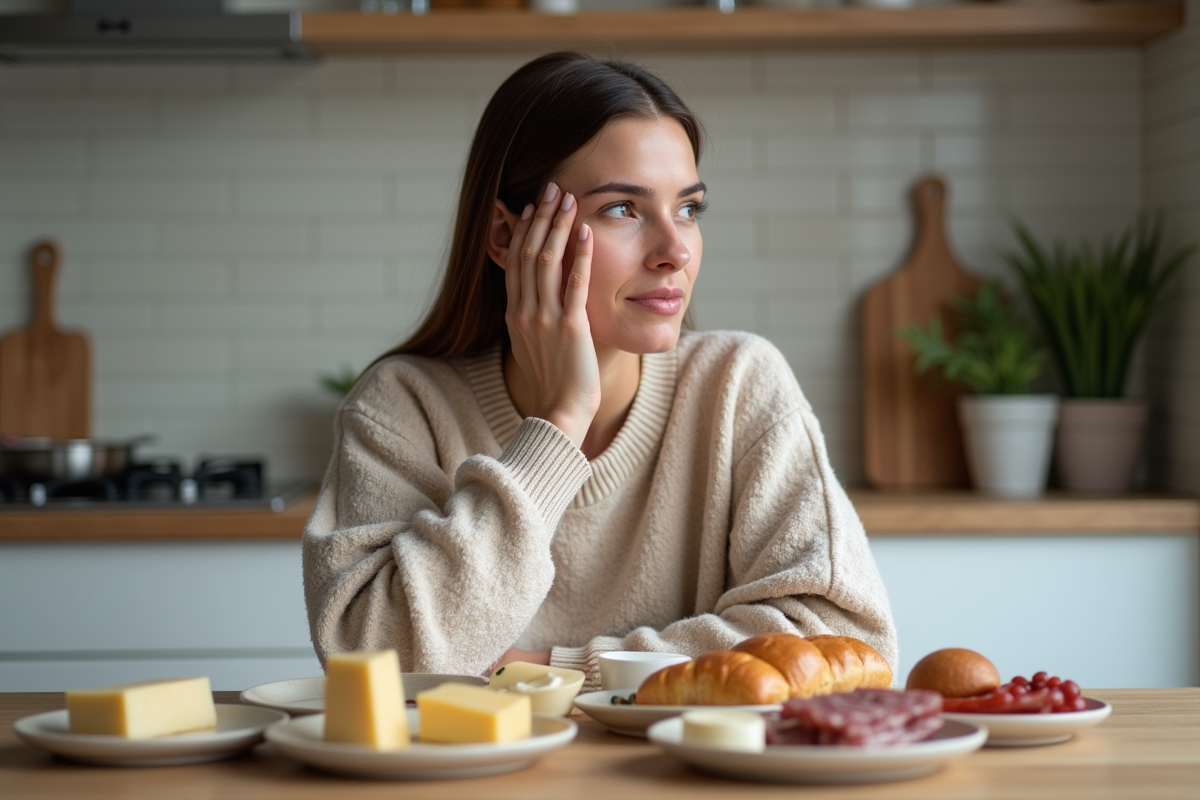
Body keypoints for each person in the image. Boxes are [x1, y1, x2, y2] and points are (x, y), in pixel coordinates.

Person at [303, 51, 897, 687]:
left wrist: (555, 671)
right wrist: (559, 423)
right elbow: (374, 663)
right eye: (623, 209)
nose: (675, 252)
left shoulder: (738, 384)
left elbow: (846, 641)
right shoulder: (402, 406)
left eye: (689, 209)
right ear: (506, 237)